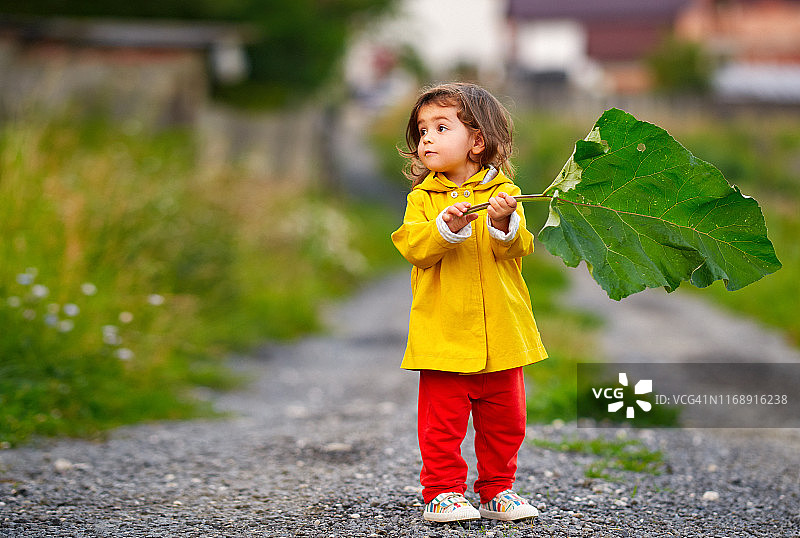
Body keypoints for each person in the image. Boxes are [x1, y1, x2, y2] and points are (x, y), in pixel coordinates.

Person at [391, 82, 548, 523]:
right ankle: (442, 491)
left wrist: (504, 222)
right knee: (440, 425)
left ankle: (498, 489)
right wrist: (445, 228)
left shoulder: (506, 193)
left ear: (477, 141)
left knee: (507, 423)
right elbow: (415, 248)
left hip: (501, 333)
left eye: (441, 127)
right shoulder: (422, 199)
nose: (427, 138)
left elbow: (517, 248)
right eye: (422, 130)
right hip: (445, 336)